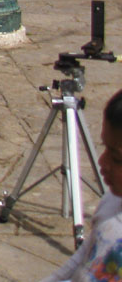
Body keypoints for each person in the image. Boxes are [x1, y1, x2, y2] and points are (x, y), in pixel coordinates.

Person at [40, 88, 122, 282]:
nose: (102, 162)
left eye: (117, 158)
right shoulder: (111, 202)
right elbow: (84, 256)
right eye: (105, 148)